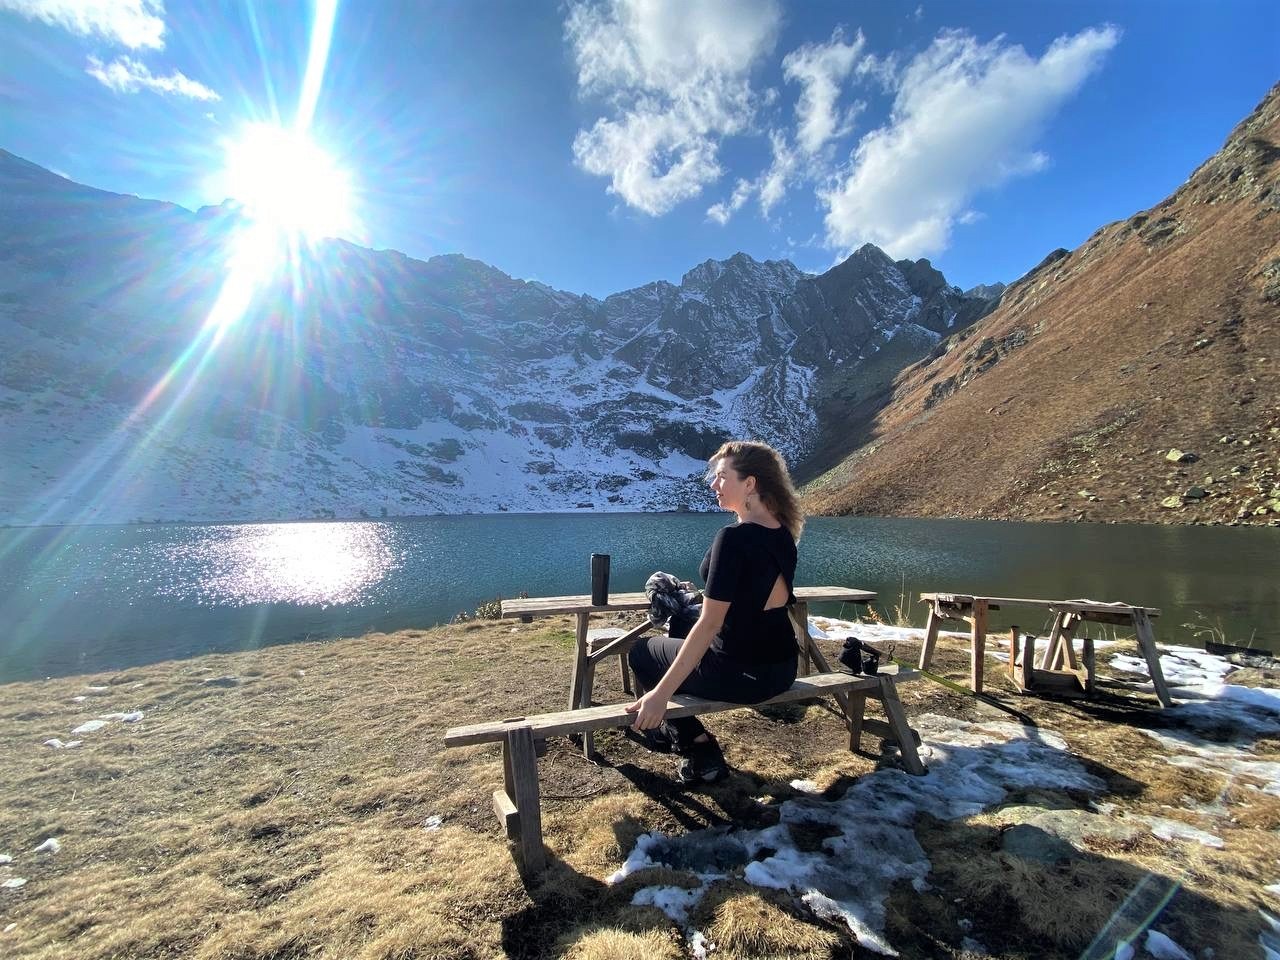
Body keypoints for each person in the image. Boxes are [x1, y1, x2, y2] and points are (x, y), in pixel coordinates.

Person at [625, 440, 805, 784]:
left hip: (741, 675)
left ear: (749, 484)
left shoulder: (733, 538)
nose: (713, 484)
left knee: (642, 652)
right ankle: (672, 727)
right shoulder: (783, 532)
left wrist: (660, 696)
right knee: (682, 621)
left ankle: (697, 745)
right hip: (782, 668)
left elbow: (711, 624)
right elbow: (751, 599)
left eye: (722, 476)